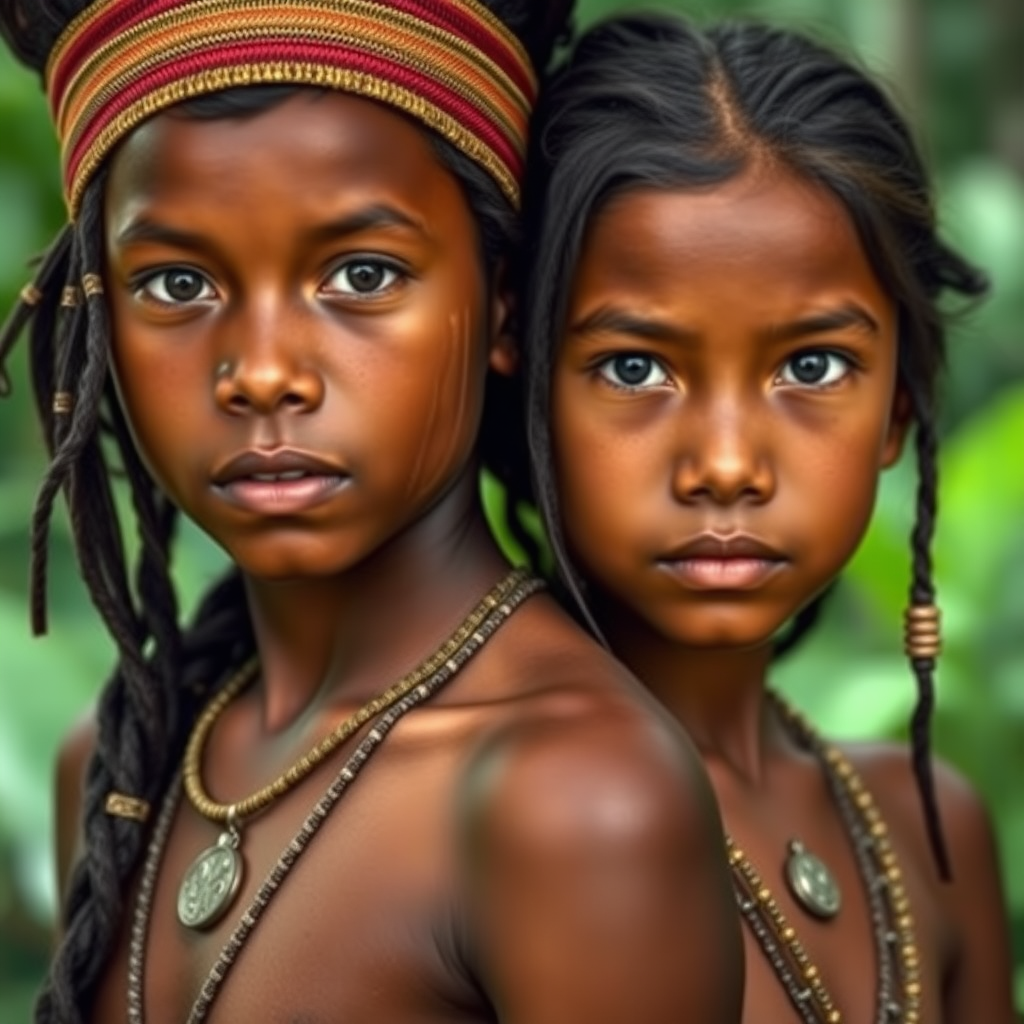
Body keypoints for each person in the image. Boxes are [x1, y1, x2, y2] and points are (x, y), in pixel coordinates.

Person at [0, 3, 745, 1023]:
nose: (261, 373)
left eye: (359, 274)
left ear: (500, 306)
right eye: (177, 283)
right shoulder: (121, 765)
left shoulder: (571, 800)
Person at [515, 12, 1017, 1024]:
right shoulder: (477, 815)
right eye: (633, 368)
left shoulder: (922, 830)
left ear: (899, 410)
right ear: (519, 377)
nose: (728, 466)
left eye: (811, 367)